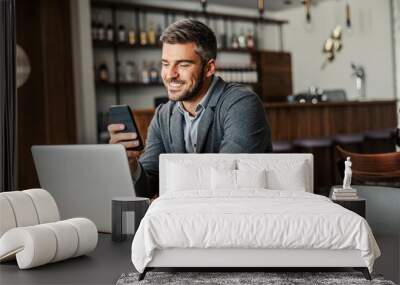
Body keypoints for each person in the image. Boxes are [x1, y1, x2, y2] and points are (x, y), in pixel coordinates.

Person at [108, 19, 272, 198]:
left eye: (183, 64)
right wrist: (131, 165)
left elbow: (228, 181)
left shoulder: (241, 104)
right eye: (165, 64)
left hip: (239, 217)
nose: (170, 74)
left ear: (209, 68)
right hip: (189, 219)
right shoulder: (163, 115)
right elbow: (148, 185)